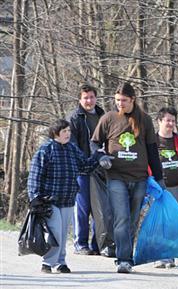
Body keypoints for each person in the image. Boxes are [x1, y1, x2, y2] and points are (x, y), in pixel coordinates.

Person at [91, 82, 164, 274]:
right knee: (122, 217)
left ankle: (128, 255)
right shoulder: (109, 118)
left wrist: (159, 178)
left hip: (139, 178)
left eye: (123, 100)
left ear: (133, 99)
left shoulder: (145, 120)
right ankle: (123, 259)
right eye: (117, 100)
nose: (120, 104)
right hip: (116, 176)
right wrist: (100, 157)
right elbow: (94, 143)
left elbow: (152, 151)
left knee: (132, 219)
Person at [27, 119, 111, 273]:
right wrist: (34, 197)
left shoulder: (72, 149)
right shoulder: (45, 150)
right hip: (49, 200)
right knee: (56, 231)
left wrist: (98, 156)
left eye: (69, 131)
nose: (68, 134)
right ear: (55, 133)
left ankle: (60, 262)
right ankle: (47, 263)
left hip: (68, 199)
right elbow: (35, 176)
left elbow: (85, 167)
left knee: (63, 232)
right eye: (64, 131)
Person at [66, 83, 106, 255]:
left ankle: (97, 244)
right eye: (85, 98)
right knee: (82, 207)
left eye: (91, 97)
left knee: (99, 208)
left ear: (96, 98)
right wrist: (83, 162)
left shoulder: (102, 115)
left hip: (100, 169)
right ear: (79, 99)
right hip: (81, 170)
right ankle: (80, 243)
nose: (89, 101)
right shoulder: (74, 118)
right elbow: (72, 145)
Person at [154, 106, 178, 268]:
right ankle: (161, 256)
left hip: (177, 188)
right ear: (159, 121)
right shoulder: (152, 142)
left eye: (173, 121)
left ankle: (169, 257)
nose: (170, 124)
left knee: (172, 223)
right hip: (158, 188)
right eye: (167, 120)